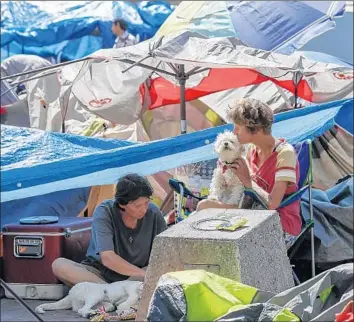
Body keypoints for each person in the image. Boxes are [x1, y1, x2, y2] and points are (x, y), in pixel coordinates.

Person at [197, 98, 302, 247]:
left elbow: (272, 204)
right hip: (250, 215)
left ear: (257, 129)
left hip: (279, 224)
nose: (234, 132)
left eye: (238, 127)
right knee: (204, 206)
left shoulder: (284, 154)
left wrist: (247, 181)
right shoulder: (251, 150)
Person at [52, 173, 167, 286]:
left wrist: (145, 273)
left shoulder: (153, 212)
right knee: (59, 265)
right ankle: (110, 292)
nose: (144, 209)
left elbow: (165, 252)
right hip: (99, 275)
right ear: (122, 204)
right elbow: (108, 258)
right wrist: (143, 274)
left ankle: (109, 294)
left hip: (135, 276)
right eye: (138, 206)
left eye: (146, 203)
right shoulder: (105, 211)